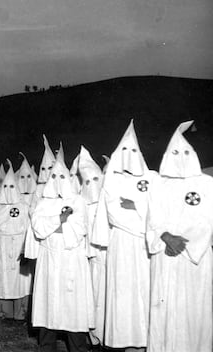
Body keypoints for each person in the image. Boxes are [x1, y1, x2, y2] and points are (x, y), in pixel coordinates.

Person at [146, 121, 212, 352]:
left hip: (196, 258)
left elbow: (208, 221)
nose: (180, 157)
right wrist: (164, 236)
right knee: (164, 312)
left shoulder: (207, 184)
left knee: (192, 313)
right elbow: (152, 218)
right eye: (175, 152)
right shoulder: (158, 184)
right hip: (165, 256)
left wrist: (183, 243)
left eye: (186, 152)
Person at [92, 120, 156, 350]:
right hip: (123, 244)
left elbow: (160, 209)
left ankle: (146, 342)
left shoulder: (151, 178)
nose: (129, 156)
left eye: (134, 151)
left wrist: (136, 206)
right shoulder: (113, 179)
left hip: (147, 247)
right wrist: (144, 213)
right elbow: (114, 213)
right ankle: (124, 341)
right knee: (123, 293)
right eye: (125, 151)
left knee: (146, 292)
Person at [30, 158, 93, 352]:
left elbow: (78, 229)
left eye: (62, 176)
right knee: (47, 307)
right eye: (54, 176)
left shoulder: (78, 201)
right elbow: (38, 228)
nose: (58, 180)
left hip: (71, 261)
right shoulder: (43, 202)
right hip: (48, 260)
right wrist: (60, 219)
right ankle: (47, 347)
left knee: (73, 310)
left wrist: (52, 226)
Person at [0, 160, 32, 321]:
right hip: (1, 248)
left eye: (12, 187)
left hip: (19, 246)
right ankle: (5, 312)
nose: (8, 190)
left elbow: (29, 230)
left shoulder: (25, 207)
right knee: (3, 280)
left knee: (20, 281)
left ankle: (21, 313)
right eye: (5, 187)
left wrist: (26, 250)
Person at [74, 146, 105, 346]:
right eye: (87, 181)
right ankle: (94, 337)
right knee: (92, 299)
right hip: (90, 259)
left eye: (95, 180)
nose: (91, 185)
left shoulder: (108, 201)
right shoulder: (80, 205)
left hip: (110, 259)